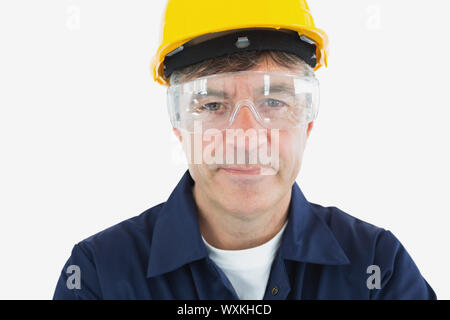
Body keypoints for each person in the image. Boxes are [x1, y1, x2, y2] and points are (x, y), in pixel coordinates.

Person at [53, 0, 436, 300]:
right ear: (178, 124)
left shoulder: (378, 268)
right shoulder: (98, 276)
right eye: (213, 105)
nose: (246, 136)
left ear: (308, 123)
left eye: (273, 102)